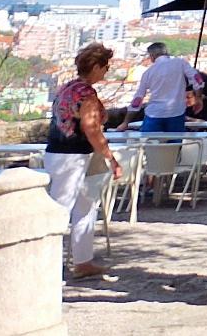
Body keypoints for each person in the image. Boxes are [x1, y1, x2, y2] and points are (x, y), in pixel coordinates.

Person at [46, 42, 122, 280]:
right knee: (63, 209)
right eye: (105, 67)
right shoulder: (86, 94)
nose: (106, 71)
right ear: (97, 66)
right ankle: (49, 264)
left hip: (60, 152)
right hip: (72, 156)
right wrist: (111, 158)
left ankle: (83, 261)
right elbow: (91, 128)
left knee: (84, 206)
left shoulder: (67, 88)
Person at [126, 40, 200, 132]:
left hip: (154, 114)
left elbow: (137, 99)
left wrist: (126, 122)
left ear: (152, 56)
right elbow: (198, 81)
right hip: (176, 112)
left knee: (149, 143)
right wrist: (198, 98)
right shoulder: (180, 63)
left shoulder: (148, 72)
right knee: (174, 145)